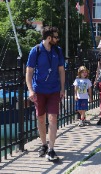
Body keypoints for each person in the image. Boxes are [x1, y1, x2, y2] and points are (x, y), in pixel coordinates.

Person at [26, 26, 65, 161]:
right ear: (49, 38)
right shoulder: (35, 51)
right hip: (39, 91)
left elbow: (61, 71)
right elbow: (29, 72)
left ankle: (52, 149)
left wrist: (62, 88)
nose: (57, 39)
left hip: (54, 89)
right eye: (55, 36)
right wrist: (30, 89)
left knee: (53, 118)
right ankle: (43, 144)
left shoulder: (58, 51)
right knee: (41, 118)